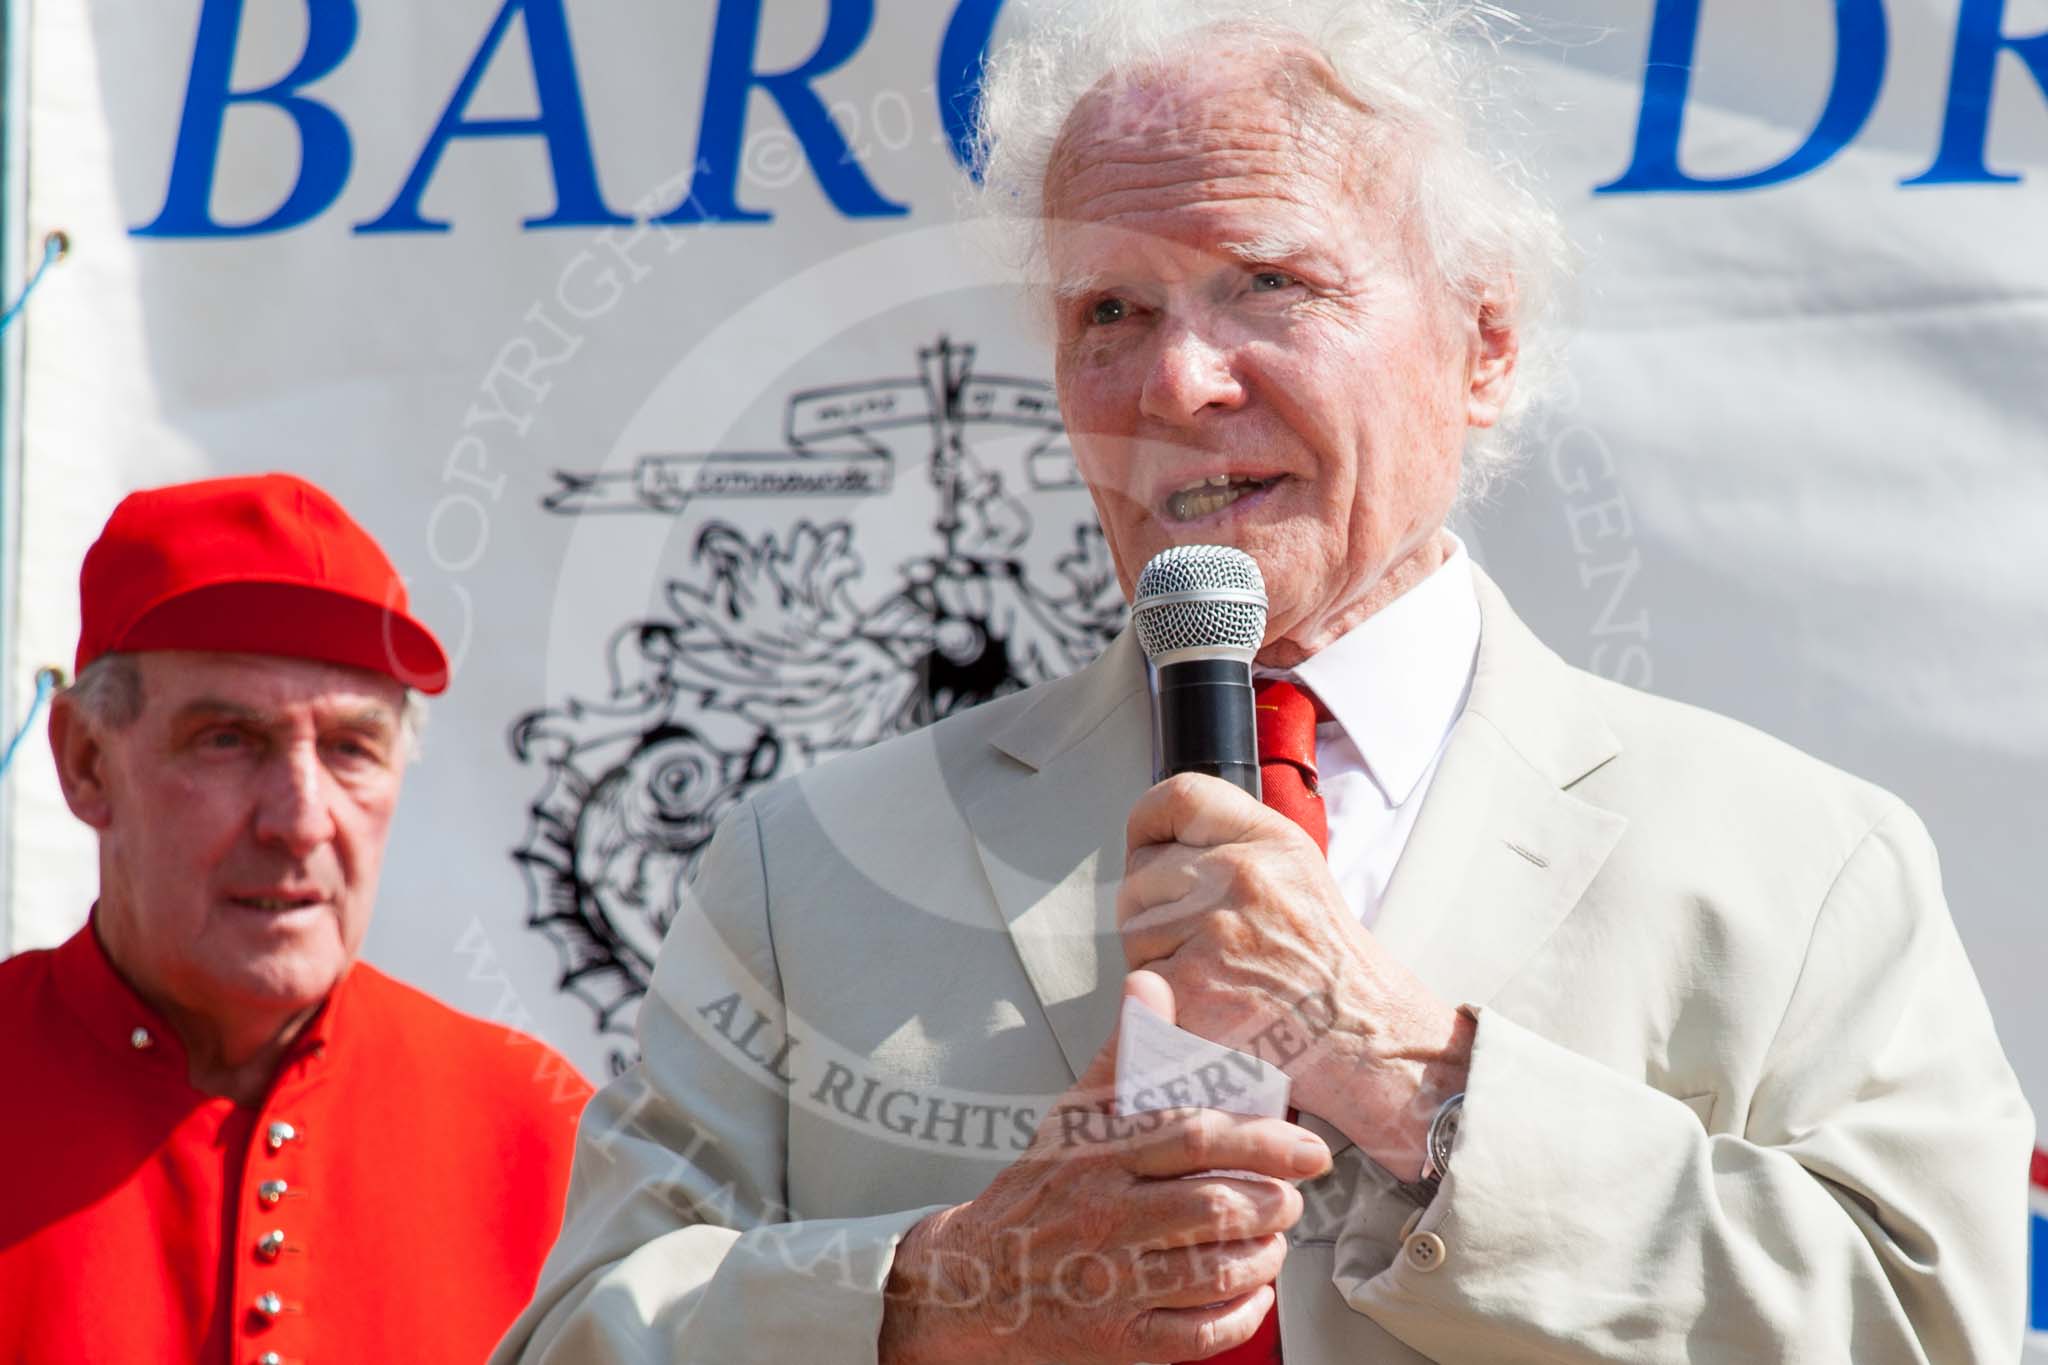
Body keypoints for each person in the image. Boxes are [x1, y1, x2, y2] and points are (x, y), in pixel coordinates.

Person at [497, 3, 2033, 1361]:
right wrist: (946, 1294)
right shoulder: (803, 867)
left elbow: (1937, 1328)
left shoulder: (1805, 861)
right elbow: (575, 1338)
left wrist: (1406, 1064)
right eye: (1112, 311)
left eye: (1269, 283)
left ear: (1484, 342)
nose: (1177, 383)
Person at [0, 473, 594, 1362]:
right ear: (86, 761)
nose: (302, 818)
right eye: (228, 739)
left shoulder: (543, 1136)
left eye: (353, 748)